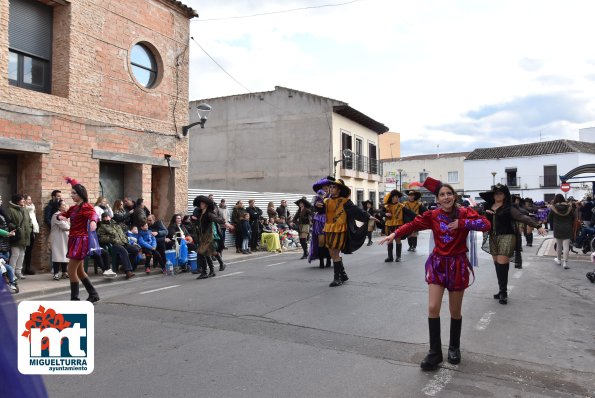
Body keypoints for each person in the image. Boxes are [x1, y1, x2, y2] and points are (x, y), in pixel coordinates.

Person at [380, 177, 491, 370]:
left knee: (455, 311)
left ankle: (454, 348)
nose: (446, 197)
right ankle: (435, 353)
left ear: (454, 197)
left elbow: (486, 224)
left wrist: (462, 224)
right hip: (438, 263)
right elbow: (413, 224)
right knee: (433, 307)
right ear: (437, 200)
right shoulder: (433, 215)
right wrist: (394, 234)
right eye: (442, 195)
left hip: (457, 264)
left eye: (449, 194)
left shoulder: (465, 212)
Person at [479, 184, 547, 305]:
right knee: (497, 264)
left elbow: (522, 217)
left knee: (502, 264)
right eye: (496, 193)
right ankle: (501, 290)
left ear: (505, 195)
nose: (498, 195)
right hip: (493, 237)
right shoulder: (488, 206)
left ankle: (504, 293)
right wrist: (484, 213)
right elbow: (477, 218)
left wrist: (538, 226)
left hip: (507, 237)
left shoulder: (509, 208)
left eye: (500, 193)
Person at [315, 179, 376, 287]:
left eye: (334, 187)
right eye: (330, 187)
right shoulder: (326, 201)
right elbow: (319, 209)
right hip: (328, 229)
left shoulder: (345, 201)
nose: (331, 189)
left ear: (339, 190)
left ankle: (337, 278)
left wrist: (368, 216)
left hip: (340, 230)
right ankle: (343, 274)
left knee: (334, 253)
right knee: (332, 253)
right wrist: (317, 205)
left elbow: (356, 211)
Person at [57, 177, 101, 302]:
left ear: (81, 194)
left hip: (80, 241)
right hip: (73, 239)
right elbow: (66, 214)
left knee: (71, 270)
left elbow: (93, 214)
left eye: (74, 193)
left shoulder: (86, 207)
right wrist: (61, 216)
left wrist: (93, 221)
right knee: (80, 271)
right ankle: (93, 294)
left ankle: (74, 299)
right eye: (72, 193)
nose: (72, 195)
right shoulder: (74, 208)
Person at [192, 195, 227, 279]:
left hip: (209, 236)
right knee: (207, 253)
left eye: (202, 203)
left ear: (206, 204)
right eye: (200, 203)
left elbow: (217, 219)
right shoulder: (201, 213)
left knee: (201, 253)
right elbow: (199, 223)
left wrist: (226, 223)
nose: (200, 204)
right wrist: (192, 219)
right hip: (202, 236)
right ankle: (212, 271)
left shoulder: (209, 213)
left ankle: (204, 272)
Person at [97, 212, 138, 279]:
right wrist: (111, 239)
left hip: (123, 243)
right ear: (103, 218)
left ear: (110, 217)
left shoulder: (116, 225)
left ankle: (125, 266)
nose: (106, 218)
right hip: (113, 245)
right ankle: (128, 271)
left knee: (135, 250)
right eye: (104, 217)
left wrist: (125, 239)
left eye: (107, 216)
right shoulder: (102, 227)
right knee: (123, 251)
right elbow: (101, 238)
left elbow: (122, 233)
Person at [309, 177, 333, 268]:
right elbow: (311, 208)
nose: (326, 189)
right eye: (325, 188)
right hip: (319, 220)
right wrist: (315, 205)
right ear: (321, 188)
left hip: (329, 220)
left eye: (328, 188)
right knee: (321, 241)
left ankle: (329, 259)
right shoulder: (316, 198)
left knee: (329, 241)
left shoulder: (332, 197)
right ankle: (321, 260)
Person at [7, 194, 31, 280]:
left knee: (22, 254)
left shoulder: (25, 209)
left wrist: (30, 228)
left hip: (25, 235)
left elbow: (29, 221)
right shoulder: (11, 210)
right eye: (22, 200)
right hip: (16, 235)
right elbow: (8, 222)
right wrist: (16, 228)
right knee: (15, 255)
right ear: (17, 201)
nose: (24, 201)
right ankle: (11, 273)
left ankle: (18, 272)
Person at [548, 194, 576, 270]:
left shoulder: (553, 208)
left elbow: (549, 218)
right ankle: (565, 263)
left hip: (557, 228)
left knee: (559, 245)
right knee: (566, 245)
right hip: (567, 228)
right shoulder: (569, 208)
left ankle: (558, 260)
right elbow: (573, 217)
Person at [382, 189, 411, 262]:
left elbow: (409, 213)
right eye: (396, 197)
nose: (397, 198)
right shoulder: (387, 206)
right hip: (389, 225)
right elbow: (380, 212)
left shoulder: (401, 206)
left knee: (398, 240)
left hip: (398, 225)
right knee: (389, 241)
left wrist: (418, 217)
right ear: (392, 198)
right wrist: (385, 214)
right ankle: (390, 257)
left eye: (398, 197)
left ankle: (398, 257)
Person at [50, 200, 70, 280]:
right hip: (58, 238)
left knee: (65, 255)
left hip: (65, 237)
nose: (65, 206)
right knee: (57, 255)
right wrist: (69, 224)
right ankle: (56, 273)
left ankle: (64, 272)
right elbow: (65, 227)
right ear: (59, 207)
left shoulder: (65, 215)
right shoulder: (56, 215)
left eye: (65, 205)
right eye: (63, 205)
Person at [22, 194, 39, 275]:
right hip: (25, 232)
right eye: (28, 199)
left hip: (32, 231)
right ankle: (22, 268)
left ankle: (27, 268)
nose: (30, 201)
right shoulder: (23, 209)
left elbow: (34, 220)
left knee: (29, 251)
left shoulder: (32, 209)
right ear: (24, 200)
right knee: (23, 251)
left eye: (30, 199)